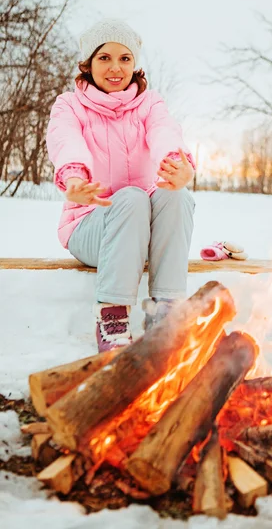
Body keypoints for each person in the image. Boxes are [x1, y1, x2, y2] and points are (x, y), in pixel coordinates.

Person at [46, 18, 195, 353]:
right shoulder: (69, 105)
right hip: (90, 228)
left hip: (141, 233)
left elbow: (164, 131)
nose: (115, 68)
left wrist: (176, 164)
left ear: (135, 64)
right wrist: (74, 176)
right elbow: (65, 140)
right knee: (130, 198)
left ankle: (166, 312)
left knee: (174, 195)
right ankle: (112, 317)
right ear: (87, 63)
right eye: (104, 58)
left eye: (125, 58)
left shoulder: (149, 104)